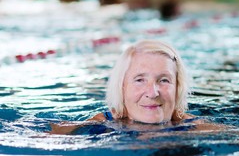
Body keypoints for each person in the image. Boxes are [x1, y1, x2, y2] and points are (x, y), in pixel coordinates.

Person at [49, 39, 222, 135]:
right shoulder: (100, 125)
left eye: (164, 80)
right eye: (139, 80)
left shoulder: (197, 128)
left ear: (178, 87)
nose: (153, 93)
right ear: (122, 87)